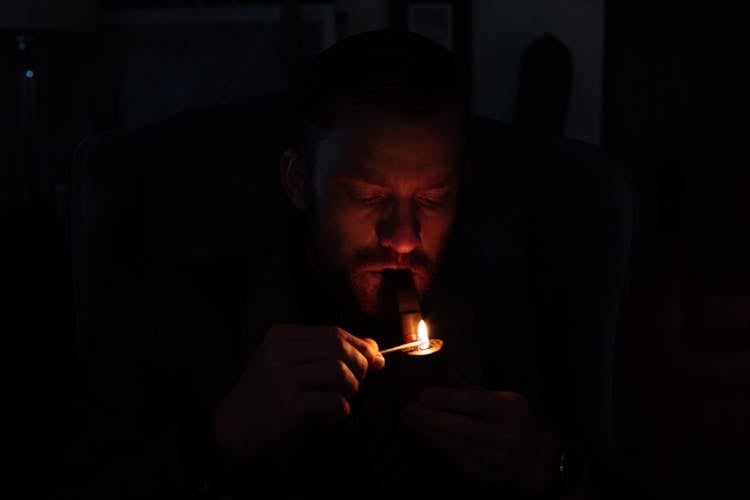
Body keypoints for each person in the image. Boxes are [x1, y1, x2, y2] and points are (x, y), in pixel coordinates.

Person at [60, 30, 605, 499]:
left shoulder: (517, 302)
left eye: (433, 198)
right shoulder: (184, 308)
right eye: (368, 198)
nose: (404, 238)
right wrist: (220, 438)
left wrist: (544, 466)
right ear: (299, 181)